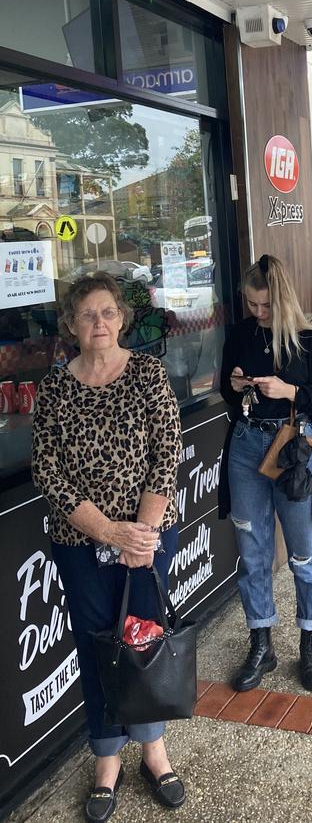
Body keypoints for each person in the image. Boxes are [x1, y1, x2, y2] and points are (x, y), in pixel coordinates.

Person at [32, 272, 185, 822]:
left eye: (107, 313)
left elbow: (166, 454)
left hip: (145, 540)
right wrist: (106, 531)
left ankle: (155, 752)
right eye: (86, 315)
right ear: (71, 325)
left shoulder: (146, 372)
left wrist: (139, 536)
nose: (98, 323)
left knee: (143, 645)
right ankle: (106, 761)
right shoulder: (54, 386)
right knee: (98, 650)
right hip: (80, 543)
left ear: (121, 318)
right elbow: (47, 469)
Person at [219, 255, 312, 694]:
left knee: (304, 553)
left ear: (283, 300)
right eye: (252, 305)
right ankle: (261, 642)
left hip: (292, 448)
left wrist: (290, 390)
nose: (258, 313)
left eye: (266, 305)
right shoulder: (241, 333)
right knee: (252, 552)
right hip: (247, 441)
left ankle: (310, 641)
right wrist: (233, 384)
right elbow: (224, 389)